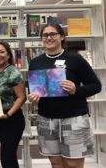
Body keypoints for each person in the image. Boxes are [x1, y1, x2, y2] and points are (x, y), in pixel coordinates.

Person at [28, 23, 101, 168]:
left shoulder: (76, 59)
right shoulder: (36, 62)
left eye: (53, 34)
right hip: (46, 119)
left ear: (62, 37)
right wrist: (33, 98)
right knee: (55, 163)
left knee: (72, 164)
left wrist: (76, 90)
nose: (49, 38)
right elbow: (35, 89)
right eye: (45, 35)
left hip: (73, 118)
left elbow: (96, 85)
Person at [0, 41, 26, 168]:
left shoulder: (13, 72)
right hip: (0, 118)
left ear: (9, 55)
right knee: (9, 156)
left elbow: (22, 97)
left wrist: (8, 115)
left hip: (12, 118)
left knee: (7, 158)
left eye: (2, 52)